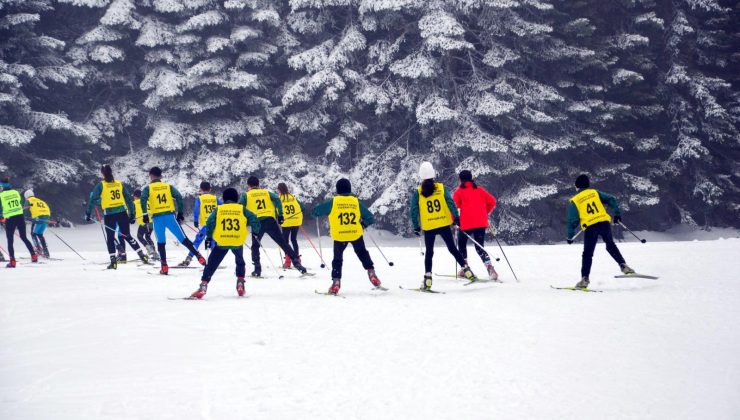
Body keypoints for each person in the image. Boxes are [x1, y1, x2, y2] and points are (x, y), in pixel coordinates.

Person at [409, 162, 476, 291]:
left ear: (421, 176)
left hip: (429, 226)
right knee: (452, 248)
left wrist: (416, 226)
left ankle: (428, 279)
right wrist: (456, 217)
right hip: (443, 223)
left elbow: (413, 210)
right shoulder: (440, 187)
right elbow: (450, 202)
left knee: (429, 252)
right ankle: (467, 271)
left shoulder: (418, 192)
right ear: (433, 174)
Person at [311, 178, 383, 295]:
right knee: (362, 253)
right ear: (349, 189)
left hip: (340, 236)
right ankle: (371, 273)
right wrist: (363, 224)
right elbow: (370, 218)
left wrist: (315, 212)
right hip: (355, 233)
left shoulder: (333, 202)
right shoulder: (355, 202)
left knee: (337, 259)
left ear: (338, 189)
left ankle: (336, 283)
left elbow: (315, 212)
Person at [566, 174, 636, 289]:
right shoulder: (595, 193)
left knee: (587, 254)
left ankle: (584, 279)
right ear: (588, 185)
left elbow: (572, 220)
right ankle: (623, 265)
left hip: (590, 227)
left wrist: (570, 236)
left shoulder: (575, 200)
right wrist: (617, 214)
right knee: (610, 245)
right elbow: (611, 199)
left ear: (577, 187)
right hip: (604, 223)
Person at [190, 188, 261, 299]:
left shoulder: (219, 209)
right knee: (240, 261)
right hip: (237, 240)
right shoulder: (242, 208)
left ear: (223, 198)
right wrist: (255, 232)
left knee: (212, 264)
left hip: (222, 240)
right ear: (236, 198)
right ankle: (240, 282)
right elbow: (254, 219)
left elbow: (209, 222)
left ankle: (203, 285)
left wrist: (209, 237)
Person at [140, 167, 206, 275]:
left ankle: (164, 266)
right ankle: (199, 257)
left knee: (161, 243)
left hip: (157, 219)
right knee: (184, 239)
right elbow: (179, 197)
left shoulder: (148, 188)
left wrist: (144, 215)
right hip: (170, 217)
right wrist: (180, 213)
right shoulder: (167, 187)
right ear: (161, 176)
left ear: (151, 176)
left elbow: (143, 199)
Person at [238, 176, 308, 276]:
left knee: (255, 246)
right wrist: (280, 215)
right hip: (270, 221)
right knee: (283, 243)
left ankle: (257, 269)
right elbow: (277, 199)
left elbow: (240, 207)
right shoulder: (266, 192)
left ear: (248, 185)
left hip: (257, 222)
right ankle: (297, 264)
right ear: (258, 184)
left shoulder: (246, 195)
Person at [85, 165, 149, 269]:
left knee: (110, 238)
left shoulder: (100, 185)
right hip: (122, 213)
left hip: (109, 214)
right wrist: (132, 214)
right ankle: (142, 256)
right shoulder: (119, 184)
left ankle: (113, 262)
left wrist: (88, 213)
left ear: (102, 173)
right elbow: (128, 199)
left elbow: (93, 199)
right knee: (127, 236)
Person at [453, 170, 498, 281]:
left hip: (466, 224)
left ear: (460, 179)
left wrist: (454, 220)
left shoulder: (459, 192)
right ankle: (490, 268)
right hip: (481, 223)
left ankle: (465, 269)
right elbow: (492, 201)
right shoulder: (479, 190)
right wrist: (485, 213)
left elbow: (452, 207)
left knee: (462, 245)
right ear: (471, 178)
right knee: (480, 247)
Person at [178, 181, 221, 267]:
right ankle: (214, 261)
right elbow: (223, 206)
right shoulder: (215, 198)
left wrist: (196, 220)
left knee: (197, 240)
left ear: (200, 189)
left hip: (206, 225)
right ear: (210, 189)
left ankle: (188, 259)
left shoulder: (200, 198)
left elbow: (196, 209)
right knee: (213, 242)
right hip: (215, 225)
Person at [0, 177, 37, 267]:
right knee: (24, 237)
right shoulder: (16, 192)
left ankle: (12, 261)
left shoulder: (1, 195)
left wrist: (1, 217)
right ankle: (34, 255)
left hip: (10, 218)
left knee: (10, 240)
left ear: (2, 187)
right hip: (20, 217)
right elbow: (20, 203)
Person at [277, 182, 305, 269]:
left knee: (285, 242)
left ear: (279, 190)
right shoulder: (293, 197)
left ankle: (288, 261)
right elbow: (302, 207)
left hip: (286, 222)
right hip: (296, 220)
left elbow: (276, 209)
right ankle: (297, 259)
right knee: (294, 239)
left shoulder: (279, 198)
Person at [24, 189, 51, 258]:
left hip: (38, 218)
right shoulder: (39, 200)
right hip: (46, 217)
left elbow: (26, 210)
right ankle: (46, 252)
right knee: (39, 234)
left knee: (33, 234)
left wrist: (25, 217)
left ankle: (38, 250)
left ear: (26, 196)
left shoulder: (29, 200)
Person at [133, 189, 158, 261]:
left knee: (139, 236)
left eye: (134, 196)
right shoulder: (148, 201)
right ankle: (154, 253)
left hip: (144, 222)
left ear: (136, 196)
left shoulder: (135, 203)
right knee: (148, 237)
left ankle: (149, 249)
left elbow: (131, 212)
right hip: (151, 222)